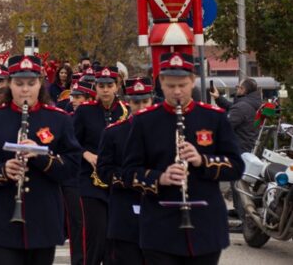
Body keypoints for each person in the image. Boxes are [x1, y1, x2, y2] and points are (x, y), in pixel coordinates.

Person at [123, 52, 244, 265]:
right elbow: (128, 173)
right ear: (160, 81)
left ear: (193, 79)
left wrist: (202, 161)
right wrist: (160, 177)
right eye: (170, 86)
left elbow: (236, 166)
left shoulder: (214, 117)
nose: (177, 91)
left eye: (183, 84)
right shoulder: (144, 121)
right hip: (159, 228)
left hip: (205, 225)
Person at [0, 55, 81, 265]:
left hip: (43, 218)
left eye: (31, 83)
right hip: (2, 217)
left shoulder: (59, 119)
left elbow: (72, 168)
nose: (25, 90)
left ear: (41, 84)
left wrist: (41, 156)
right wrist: (2, 169)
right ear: (10, 84)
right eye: (19, 84)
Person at [73, 66, 128, 265]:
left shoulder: (126, 111)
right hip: (90, 181)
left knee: (115, 237)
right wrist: (86, 154)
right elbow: (70, 143)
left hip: (117, 181)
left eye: (109, 85)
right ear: (95, 87)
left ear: (117, 86)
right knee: (96, 235)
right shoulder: (84, 112)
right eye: (101, 85)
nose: (105, 90)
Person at [97, 77, 154, 265]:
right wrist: (131, 179)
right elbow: (104, 170)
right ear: (127, 102)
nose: (141, 106)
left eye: (145, 101)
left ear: (152, 100)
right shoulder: (113, 132)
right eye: (136, 102)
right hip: (125, 209)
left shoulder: (164, 130)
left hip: (158, 209)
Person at [210, 77, 261, 228]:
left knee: (238, 184)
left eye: (238, 86)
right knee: (238, 183)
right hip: (247, 145)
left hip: (239, 147)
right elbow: (234, 107)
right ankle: (239, 211)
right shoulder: (252, 102)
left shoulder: (242, 106)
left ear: (243, 90)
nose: (237, 88)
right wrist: (219, 98)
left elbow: (228, 124)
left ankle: (243, 219)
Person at [60, 78, 95, 265]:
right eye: (73, 96)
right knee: (78, 224)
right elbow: (67, 147)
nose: (73, 100)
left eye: (78, 96)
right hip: (74, 178)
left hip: (96, 178)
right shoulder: (68, 118)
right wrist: (85, 154)